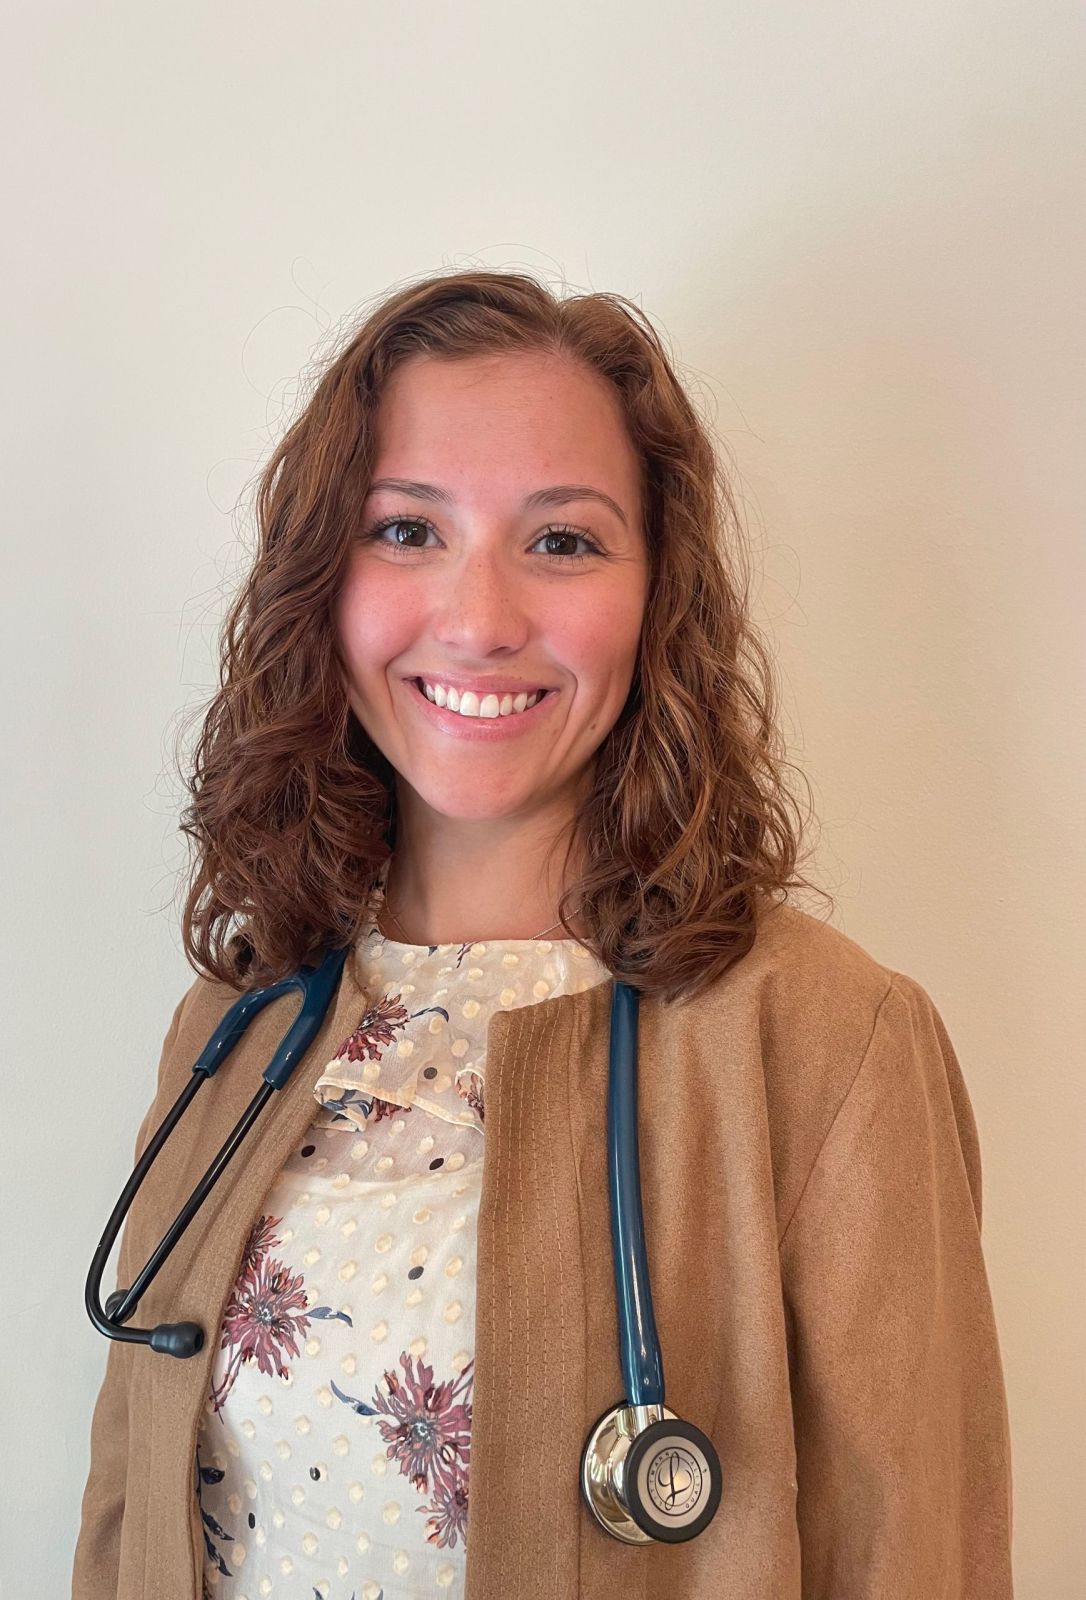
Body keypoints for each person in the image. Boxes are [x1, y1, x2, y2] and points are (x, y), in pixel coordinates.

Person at [72, 269, 1014, 1600]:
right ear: (320, 584)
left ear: (656, 595)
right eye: (406, 530)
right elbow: (127, 1520)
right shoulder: (236, 1026)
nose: (479, 617)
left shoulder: (826, 1043)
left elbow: (915, 1558)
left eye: (562, 541)